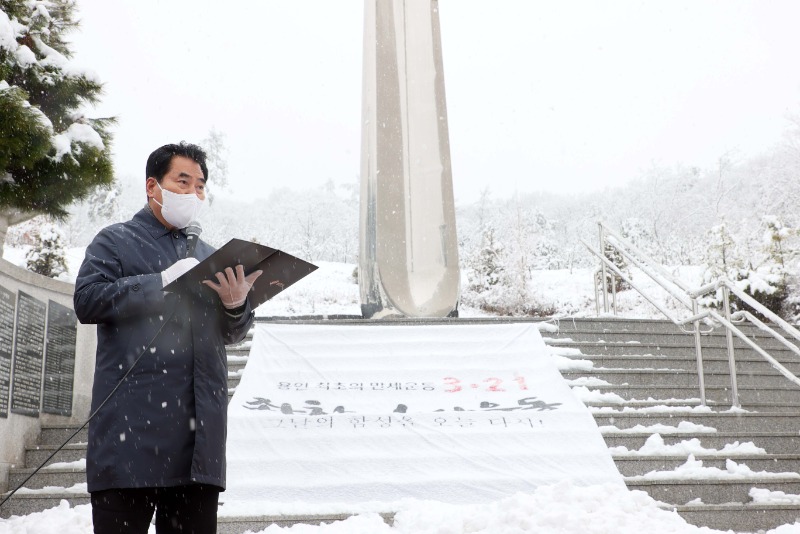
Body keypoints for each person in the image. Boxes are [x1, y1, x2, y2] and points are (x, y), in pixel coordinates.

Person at [74, 142, 262, 534]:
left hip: (197, 447)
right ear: (152, 186)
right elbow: (87, 300)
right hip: (130, 438)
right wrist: (158, 282)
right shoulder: (115, 241)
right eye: (183, 181)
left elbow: (234, 332)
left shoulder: (212, 257)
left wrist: (235, 304)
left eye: (200, 186)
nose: (193, 193)